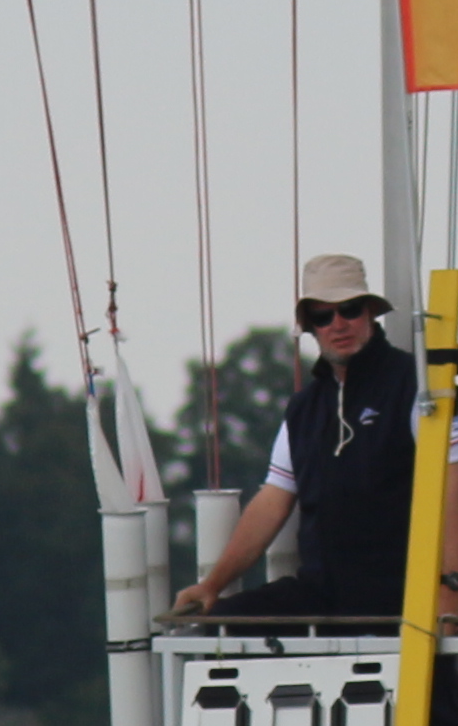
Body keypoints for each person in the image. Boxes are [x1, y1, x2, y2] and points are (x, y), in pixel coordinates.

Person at [176, 258, 424, 621]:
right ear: (311, 327)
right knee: (219, 628)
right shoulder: (303, 408)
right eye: (322, 317)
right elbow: (273, 499)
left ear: (370, 313)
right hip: (322, 594)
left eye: (349, 310)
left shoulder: (415, 383)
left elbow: (456, 485)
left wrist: (450, 586)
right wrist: (212, 585)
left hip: (400, 595)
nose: (337, 324)